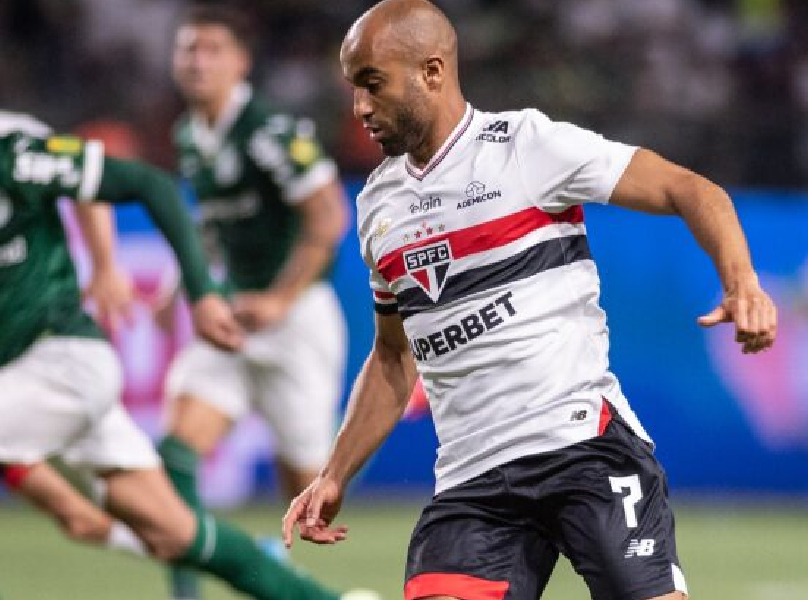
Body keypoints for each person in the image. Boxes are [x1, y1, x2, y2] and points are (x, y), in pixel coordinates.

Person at [282, 1, 778, 599]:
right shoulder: (377, 206)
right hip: (474, 483)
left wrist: (741, 281)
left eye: (372, 84)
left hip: (584, 449)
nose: (359, 106)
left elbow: (688, 188)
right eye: (354, 88)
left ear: (432, 72)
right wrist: (334, 474)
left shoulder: (527, 146)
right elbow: (393, 358)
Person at [0, 123, 351, 600]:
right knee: (166, 531)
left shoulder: (14, 147)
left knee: (305, 476)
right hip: (20, 382)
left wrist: (137, 275)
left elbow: (140, 182)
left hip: (61, 360)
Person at [159, 6, 351, 598]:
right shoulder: (188, 135)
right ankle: (184, 594)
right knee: (176, 456)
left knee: (308, 496)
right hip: (233, 322)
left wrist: (280, 298)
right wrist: (180, 286)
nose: (197, 61)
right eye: (188, 49)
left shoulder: (270, 131)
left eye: (212, 49)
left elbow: (329, 214)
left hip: (297, 322)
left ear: (240, 62)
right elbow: (215, 224)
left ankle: (281, 572)